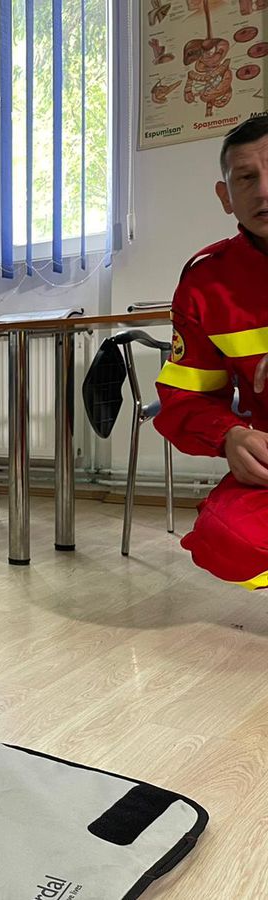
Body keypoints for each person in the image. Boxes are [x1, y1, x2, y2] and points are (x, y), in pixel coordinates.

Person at [154, 115, 268, 587]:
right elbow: (185, 398)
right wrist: (230, 436)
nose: (264, 190)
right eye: (247, 177)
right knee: (224, 538)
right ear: (226, 197)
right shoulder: (208, 281)